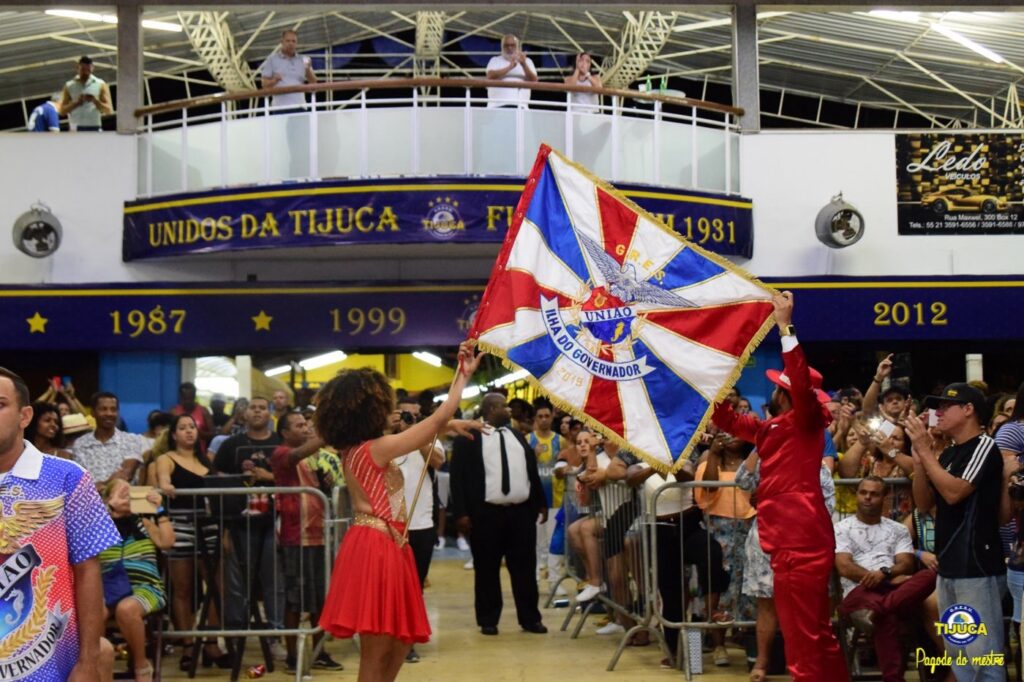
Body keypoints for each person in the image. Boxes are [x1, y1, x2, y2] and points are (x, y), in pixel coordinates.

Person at [317, 342, 482, 682]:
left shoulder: (355, 449)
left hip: (383, 541)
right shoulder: (376, 448)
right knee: (379, 652)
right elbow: (436, 418)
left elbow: (429, 428)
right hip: (377, 545)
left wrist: (448, 427)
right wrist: (461, 377)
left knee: (397, 643)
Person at [711, 292, 848, 682]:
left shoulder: (807, 422)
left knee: (803, 639)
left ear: (786, 393)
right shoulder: (773, 428)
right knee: (815, 634)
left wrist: (785, 327)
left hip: (799, 541)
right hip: (789, 540)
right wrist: (714, 382)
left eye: (777, 385)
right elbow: (733, 423)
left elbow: (802, 385)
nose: (772, 388)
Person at [0, 367, 121, 680]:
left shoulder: (67, 477)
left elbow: (88, 572)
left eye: (0, 405)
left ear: (24, 416)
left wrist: (90, 660)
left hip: (48, 665)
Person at [907, 383, 1007, 681]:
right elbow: (924, 503)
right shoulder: (950, 453)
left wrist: (926, 452)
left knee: (984, 658)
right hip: (950, 567)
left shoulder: (984, 446)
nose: (938, 412)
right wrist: (918, 459)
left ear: (968, 410)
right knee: (960, 655)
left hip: (976, 567)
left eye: (946, 406)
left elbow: (954, 493)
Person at [450, 391, 549, 637]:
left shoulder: (517, 436)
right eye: (504, 406)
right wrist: (461, 513)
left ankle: (530, 618)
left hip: (520, 514)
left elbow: (530, 471)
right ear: (491, 410)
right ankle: (488, 619)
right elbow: (457, 478)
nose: (509, 410)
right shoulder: (469, 438)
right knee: (486, 569)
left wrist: (540, 502)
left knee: (525, 568)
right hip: (485, 515)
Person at [735, 444, 837, 681]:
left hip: (804, 543)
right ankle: (761, 663)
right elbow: (742, 480)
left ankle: (802, 666)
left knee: (805, 607)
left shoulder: (817, 467)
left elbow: (827, 507)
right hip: (765, 541)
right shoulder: (766, 459)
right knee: (767, 605)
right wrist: (761, 445)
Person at [835, 476, 937, 682]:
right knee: (888, 617)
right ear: (857, 495)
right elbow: (844, 566)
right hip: (858, 592)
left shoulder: (897, 529)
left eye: (874, 494)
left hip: (893, 589)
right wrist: (886, 579)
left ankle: (875, 612)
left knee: (930, 575)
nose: (867, 498)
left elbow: (906, 563)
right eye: (863, 492)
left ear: (885, 497)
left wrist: (885, 573)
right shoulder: (841, 527)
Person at [155, 414, 231, 671]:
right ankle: (188, 644)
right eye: (183, 428)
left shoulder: (204, 461)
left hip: (209, 526)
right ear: (173, 434)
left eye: (192, 427)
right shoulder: (165, 459)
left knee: (216, 586)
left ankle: (211, 642)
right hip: (180, 526)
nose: (189, 431)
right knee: (183, 588)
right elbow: (163, 480)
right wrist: (166, 485)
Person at [269, 412, 343, 672]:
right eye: (299, 426)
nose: (305, 429)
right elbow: (294, 456)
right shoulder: (280, 453)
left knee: (321, 598)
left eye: (306, 425)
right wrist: (326, 434)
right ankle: (291, 656)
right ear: (285, 433)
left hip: (319, 534)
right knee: (295, 598)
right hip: (294, 537)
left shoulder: (315, 457)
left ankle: (320, 651)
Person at [212, 396, 286, 652]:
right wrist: (223, 530)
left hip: (272, 522)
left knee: (273, 580)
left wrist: (268, 476)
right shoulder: (231, 444)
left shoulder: (281, 443)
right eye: (253, 408)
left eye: (262, 407)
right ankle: (235, 634)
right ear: (244, 414)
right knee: (235, 583)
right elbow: (218, 479)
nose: (257, 411)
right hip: (238, 523)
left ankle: (276, 633)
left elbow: (292, 478)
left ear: (270, 413)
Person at [99, 479, 175, 682]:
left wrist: (159, 508)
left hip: (146, 588)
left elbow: (167, 542)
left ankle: (141, 664)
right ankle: (98, 666)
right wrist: (109, 509)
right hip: (108, 588)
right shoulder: (100, 526)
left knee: (127, 609)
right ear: (108, 499)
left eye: (131, 493)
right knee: (92, 611)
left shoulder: (145, 523)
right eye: (122, 493)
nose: (127, 497)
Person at [391, 398, 444, 663]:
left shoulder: (430, 438)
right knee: (392, 586)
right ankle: (391, 636)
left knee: (415, 586)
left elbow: (437, 462)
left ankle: (407, 640)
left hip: (421, 523)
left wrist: (417, 436)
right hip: (388, 524)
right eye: (405, 415)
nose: (410, 419)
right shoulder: (384, 440)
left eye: (415, 416)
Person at [527, 397, 568, 582]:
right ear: (535, 419)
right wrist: (531, 456)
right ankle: (534, 575)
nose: (544, 419)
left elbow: (567, 466)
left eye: (547, 416)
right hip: (534, 500)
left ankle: (554, 578)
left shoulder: (561, 441)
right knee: (536, 541)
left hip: (556, 498)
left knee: (554, 541)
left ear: (552, 418)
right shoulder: (528, 440)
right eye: (540, 416)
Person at [72, 391, 145, 486]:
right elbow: (80, 481)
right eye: (103, 409)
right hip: (89, 500)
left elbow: (126, 475)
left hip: (122, 497)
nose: (109, 413)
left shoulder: (131, 440)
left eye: (113, 409)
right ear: (93, 413)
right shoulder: (80, 444)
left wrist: (101, 485)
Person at [258, 29, 317, 111]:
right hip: (279, 108)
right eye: (288, 41)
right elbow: (264, 84)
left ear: (296, 43)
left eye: (293, 41)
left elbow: (314, 83)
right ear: (281, 42)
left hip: (300, 107)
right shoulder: (272, 59)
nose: (291, 43)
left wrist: (307, 70)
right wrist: (274, 80)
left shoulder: (304, 59)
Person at [59, 56, 113, 131]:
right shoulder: (69, 85)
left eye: (88, 70)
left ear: (92, 68)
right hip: (75, 127)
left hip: (94, 126)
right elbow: (62, 111)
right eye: (83, 70)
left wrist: (95, 101)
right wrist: (76, 103)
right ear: (77, 68)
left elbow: (109, 110)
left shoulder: (100, 84)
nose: (86, 73)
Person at [486, 34, 537, 108]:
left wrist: (523, 64)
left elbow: (534, 81)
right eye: (506, 45)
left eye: (512, 45)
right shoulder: (495, 60)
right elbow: (490, 76)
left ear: (518, 47)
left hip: (521, 106)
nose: (509, 48)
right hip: (497, 106)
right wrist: (510, 67)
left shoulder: (528, 61)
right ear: (502, 47)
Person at [171, 382, 214, 446]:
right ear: (181, 397)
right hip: (179, 453)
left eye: (190, 398)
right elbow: (168, 434)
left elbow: (213, 434)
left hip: (199, 453)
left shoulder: (204, 411)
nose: (188, 401)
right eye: (185, 399)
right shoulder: (174, 412)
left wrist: (201, 434)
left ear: (194, 396)